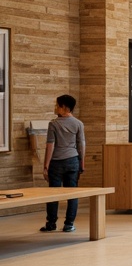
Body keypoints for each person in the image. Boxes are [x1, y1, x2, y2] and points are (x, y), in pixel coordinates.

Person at [41, 94, 86, 233]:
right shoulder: (78, 123)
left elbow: (50, 146)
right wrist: (82, 163)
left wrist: (46, 166)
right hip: (73, 161)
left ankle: (51, 223)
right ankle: (69, 224)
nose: (55, 107)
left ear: (64, 107)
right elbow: (81, 145)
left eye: (57, 105)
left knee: (53, 194)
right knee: (72, 193)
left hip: (56, 163)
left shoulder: (53, 124)